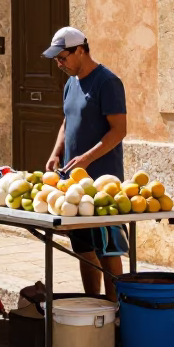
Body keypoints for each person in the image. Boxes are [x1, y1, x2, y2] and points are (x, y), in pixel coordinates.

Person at [43, 26, 129, 301]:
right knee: (83, 247)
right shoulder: (71, 83)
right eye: (56, 59)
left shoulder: (108, 82)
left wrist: (88, 157)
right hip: (73, 183)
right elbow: (67, 122)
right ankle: (92, 303)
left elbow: (119, 130)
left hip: (103, 182)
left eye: (63, 57)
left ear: (81, 50)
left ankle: (115, 310)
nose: (59, 63)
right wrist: (57, 152)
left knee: (108, 249)